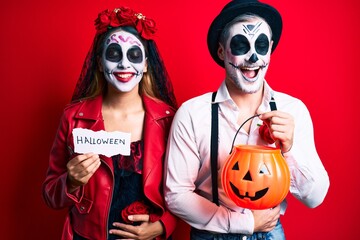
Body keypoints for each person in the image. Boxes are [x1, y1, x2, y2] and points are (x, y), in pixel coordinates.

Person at [164, 0, 330, 239]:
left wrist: (289, 149)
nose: (253, 57)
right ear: (222, 51)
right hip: (211, 234)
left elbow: (315, 197)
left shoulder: (293, 110)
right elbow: (176, 195)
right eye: (241, 45)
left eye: (261, 45)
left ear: (270, 49)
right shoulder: (191, 113)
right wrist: (243, 222)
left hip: (270, 233)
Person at [42, 6, 177, 240]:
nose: (124, 64)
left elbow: (187, 190)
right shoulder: (74, 118)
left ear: (146, 64)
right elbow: (50, 194)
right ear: (100, 62)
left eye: (134, 55)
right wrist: (71, 181)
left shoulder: (168, 120)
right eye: (114, 54)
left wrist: (163, 226)